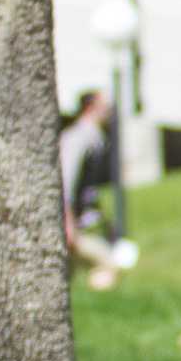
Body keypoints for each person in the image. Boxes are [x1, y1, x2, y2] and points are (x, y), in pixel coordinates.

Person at [59, 90, 125, 290]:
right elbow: (65, 182)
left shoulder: (94, 138)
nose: (110, 112)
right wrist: (68, 224)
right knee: (109, 265)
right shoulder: (78, 138)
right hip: (71, 225)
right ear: (90, 108)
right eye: (105, 107)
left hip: (80, 223)